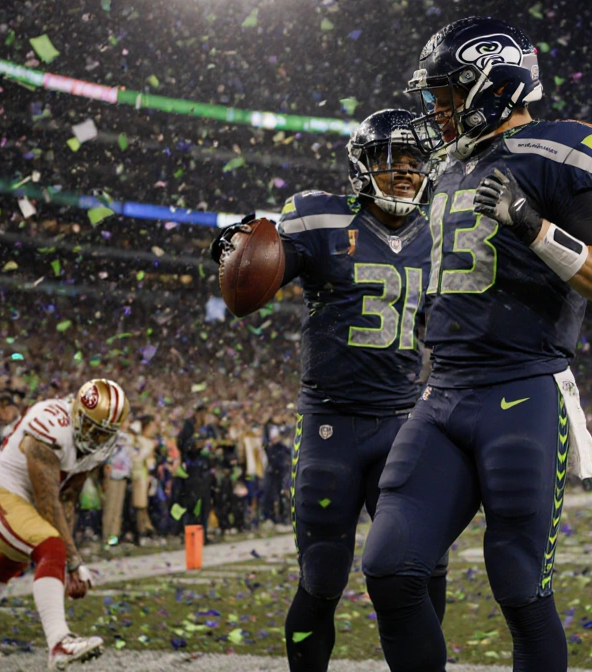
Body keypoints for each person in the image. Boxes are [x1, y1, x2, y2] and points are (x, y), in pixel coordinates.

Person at [360, 18, 592, 672]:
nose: (436, 110)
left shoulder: (561, 151)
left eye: (447, 95)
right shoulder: (450, 167)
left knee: (518, 585)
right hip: (444, 393)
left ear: (493, 84)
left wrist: (536, 228)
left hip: (523, 392)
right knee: (391, 567)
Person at [213, 108, 444, 672]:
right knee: (321, 576)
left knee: (420, 569)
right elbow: (257, 275)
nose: (407, 172)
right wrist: (233, 254)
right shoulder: (320, 218)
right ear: (362, 166)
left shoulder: (440, 228)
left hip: (403, 423)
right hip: (330, 425)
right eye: (392, 159)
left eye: (416, 161)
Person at [0, 379, 129, 670]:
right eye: (91, 426)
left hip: (13, 502)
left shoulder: (99, 447)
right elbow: (48, 503)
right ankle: (59, 642)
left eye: (103, 432)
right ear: (76, 412)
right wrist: (72, 561)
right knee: (50, 546)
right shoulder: (51, 423)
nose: (95, 437)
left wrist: (70, 556)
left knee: (16, 558)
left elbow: (66, 500)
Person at [176, 405, 217, 536]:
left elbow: (215, 441)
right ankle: (190, 533)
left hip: (205, 469)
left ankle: (202, 533)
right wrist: (194, 445)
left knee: (205, 504)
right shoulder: (189, 426)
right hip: (193, 470)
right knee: (192, 503)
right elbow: (183, 445)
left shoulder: (209, 427)